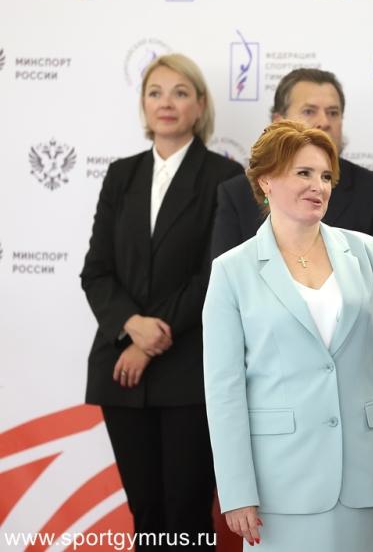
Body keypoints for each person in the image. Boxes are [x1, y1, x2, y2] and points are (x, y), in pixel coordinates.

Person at [202, 120, 373, 551]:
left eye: (325, 176)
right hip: (278, 482)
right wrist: (236, 488)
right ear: (266, 180)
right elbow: (224, 389)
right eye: (303, 173)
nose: (318, 186)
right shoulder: (231, 270)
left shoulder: (366, 252)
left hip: (364, 473)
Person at [80, 54, 244, 550]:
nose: (166, 103)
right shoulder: (121, 175)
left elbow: (215, 275)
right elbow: (96, 271)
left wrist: (150, 339)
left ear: (200, 105)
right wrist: (131, 325)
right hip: (121, 373)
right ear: (143, 104)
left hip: (189, 371)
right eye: (155, 92)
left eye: (180, 92)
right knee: (146, 513)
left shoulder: (225, 176)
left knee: (187, 514)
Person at [211, 68, 373, 262]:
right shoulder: (237, 194)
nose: (324, 122)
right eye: (309, 111)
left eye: (333, 113)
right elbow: (226, 274)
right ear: (278, 122)